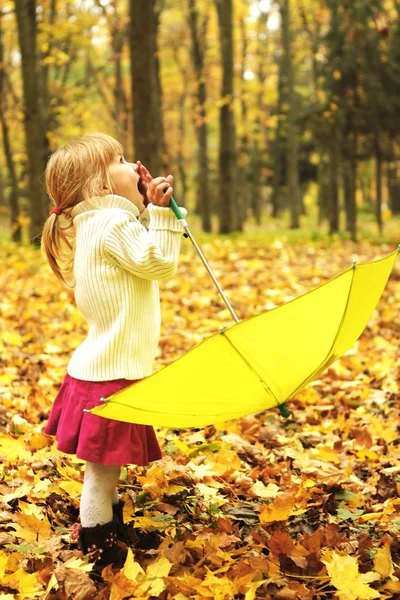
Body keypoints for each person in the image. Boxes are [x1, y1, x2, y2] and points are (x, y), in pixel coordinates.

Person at [41, 132, 187, 570]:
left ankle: (107, 524)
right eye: (121, 159)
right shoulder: (112, 225)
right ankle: (98, 543)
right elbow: (159, 263)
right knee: (102, 472)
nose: (133, 163)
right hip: (110, 375)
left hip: (103, 369)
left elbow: (141, 257)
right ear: (102, 185)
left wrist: (152, 211)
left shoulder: (99, 224)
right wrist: (160, 214)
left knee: (108, 466)